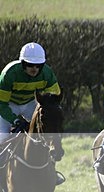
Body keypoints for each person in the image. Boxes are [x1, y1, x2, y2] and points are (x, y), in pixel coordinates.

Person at [0, 42, 65, 184]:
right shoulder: (9, 74)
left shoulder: (47, 74)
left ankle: (52, 172)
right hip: (8, 105)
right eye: (30, 65)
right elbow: (2, 104)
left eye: (38, 65)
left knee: (45, 135)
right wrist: (15, 120)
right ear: (23, 63)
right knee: (2, 138)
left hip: (30, 104)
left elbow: (54, 99)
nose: (34, 69)